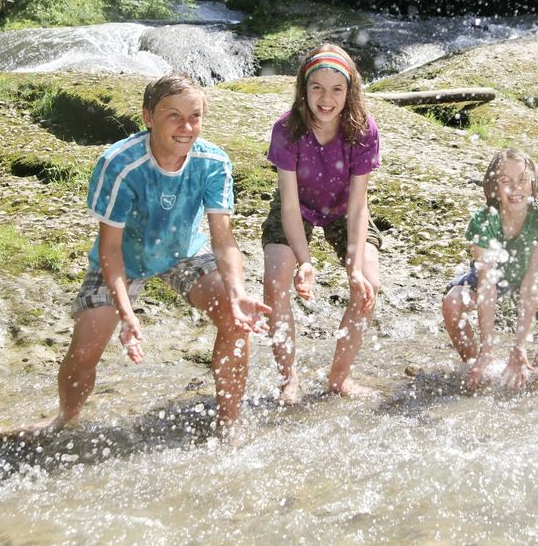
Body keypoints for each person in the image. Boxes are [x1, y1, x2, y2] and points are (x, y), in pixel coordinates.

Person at [22, 73, 269, 438]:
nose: (186, 127)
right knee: (85, 348)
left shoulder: (214, 162)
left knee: (236, 321)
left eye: (195, 116)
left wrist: (237, 292)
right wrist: (126, 313)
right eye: (174, 115)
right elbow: (109, 249)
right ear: (148, 117)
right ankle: (64, 419)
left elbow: (223, 238)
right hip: (126, 259)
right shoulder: (120, 164)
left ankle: (229, 424)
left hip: (183, 251)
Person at [262, 44, 382, 402]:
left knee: (367, 286)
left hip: (346, 209)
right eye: (317, 88)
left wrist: (355, 270)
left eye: (336, 90)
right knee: (274, 282)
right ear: (304, 89)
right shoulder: (287, 129)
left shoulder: (363, 130)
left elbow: (359, 207)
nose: (326, 99)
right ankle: (289, 377)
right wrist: (305, 261)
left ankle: (339, 379)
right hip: (297, 207)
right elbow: (288, 204)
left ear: (350, 92)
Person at [441, 148, 538, 391]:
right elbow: (486, 283)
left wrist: (519, 346)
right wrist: (487, 348)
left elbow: (532, 282)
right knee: (453, 303)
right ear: (494, 186)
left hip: (534, 272)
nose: (516, 188)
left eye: (523, 180)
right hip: (493, 275)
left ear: (533, 183)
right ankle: (476, 364)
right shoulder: (484, 220)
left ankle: (537, 372)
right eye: (506, 181)